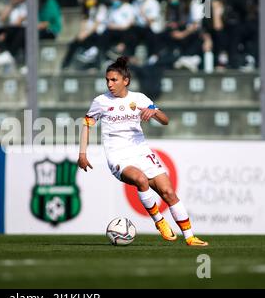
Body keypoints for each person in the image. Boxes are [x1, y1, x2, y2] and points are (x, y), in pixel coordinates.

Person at [77, 56, 208, 247]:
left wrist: (154, 112)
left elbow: (165, 120)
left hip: (141, 152)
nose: (110, 84)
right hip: (118, 155)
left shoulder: (139, 99)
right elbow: (87, 124)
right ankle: (159, 221)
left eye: (114, 80)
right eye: (107, 80)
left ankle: (190, 237)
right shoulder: (101, 101)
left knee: (168, 192)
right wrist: (82, 154)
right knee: (140, 179)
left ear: (125, 81)